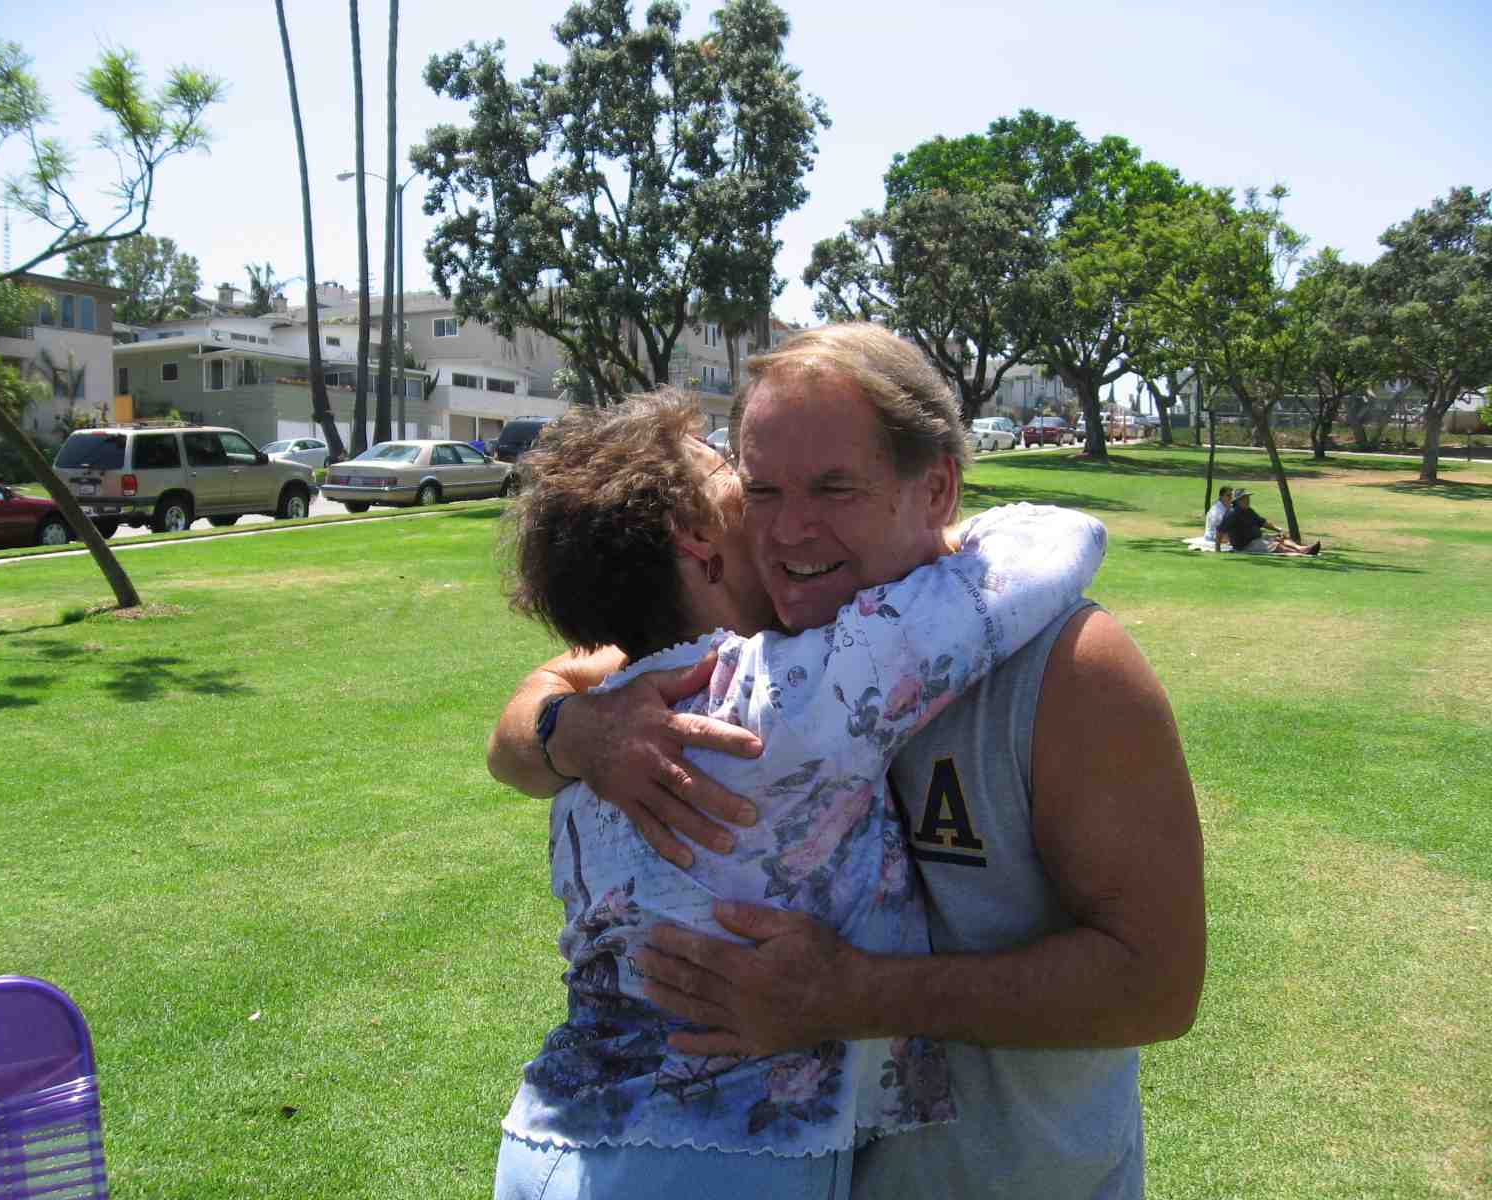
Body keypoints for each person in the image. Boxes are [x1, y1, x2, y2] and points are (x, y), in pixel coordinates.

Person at [489, 322, 1206, 1199]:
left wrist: (853, 996)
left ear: (936, 487)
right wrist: (574, 732)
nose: (789, 531)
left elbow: (1157, 985)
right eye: (760, 489)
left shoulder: (1071, 667)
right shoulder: (737, 662)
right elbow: (538, 706)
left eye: (834, 487)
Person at [1216, 489, 1320, 555]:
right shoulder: (1232, 513)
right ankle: (1301, 553)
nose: (1248, 500)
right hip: (1245, 545)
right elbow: (1220, 531)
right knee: (1276, 546)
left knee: (1280, 538)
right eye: (1244, 498)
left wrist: (1278, 529)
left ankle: (1301, 548)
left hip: (1257, 539)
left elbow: (1263, 522)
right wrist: (1218, 549)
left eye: (1248, 498)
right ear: (1238, 501)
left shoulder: (1249, 511)